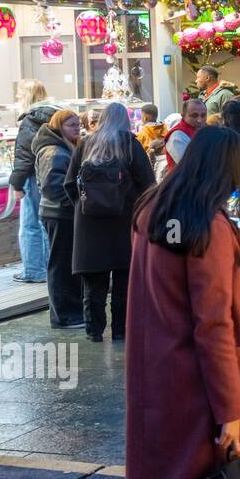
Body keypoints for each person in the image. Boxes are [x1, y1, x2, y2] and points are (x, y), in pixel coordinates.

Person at [125, 126, 240, 479]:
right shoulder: (210, 227)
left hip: (161, 374)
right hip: (203, 387)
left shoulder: (152, 207)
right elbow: (213, 325)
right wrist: (231, 412)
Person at [64, 101, 155, 342]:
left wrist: (84, 207)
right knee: (124, 282)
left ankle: (94, 331)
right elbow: (148, 184)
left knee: (94, 283)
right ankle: (120, 330)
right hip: (123, 222)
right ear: (125, 120)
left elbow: (69, 184)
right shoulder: (130, 144)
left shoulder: (85, 144)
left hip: (89, 226)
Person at [33, 109, 84, 329]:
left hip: (64, 213)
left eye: (78, 124)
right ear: (59, 126)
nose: (77, 128)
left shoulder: (66, 147)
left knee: (67, 264)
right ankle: (64, 316)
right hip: (58, 214)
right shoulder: (53, 151)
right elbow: (53, 186)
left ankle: (71, 312)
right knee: (61, 265)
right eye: (71, 125)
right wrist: (77, 203)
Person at [9, 80, 57, 284]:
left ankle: (34, 270)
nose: (18, 99)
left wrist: (16, 183)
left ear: (28, 96)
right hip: (51, 173)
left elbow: (24, 156)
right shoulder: (54, 114)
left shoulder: (30, 120)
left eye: (20, 95)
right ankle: (49, 267)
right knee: (45, 222)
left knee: (30, 224)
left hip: (32, 176)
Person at [165, 98, 207, 171]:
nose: (199, 120)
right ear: (183, 116)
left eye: (203, 115)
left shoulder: (206, 130)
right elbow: (190, 167)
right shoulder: (177, 136)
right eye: (194, 116)